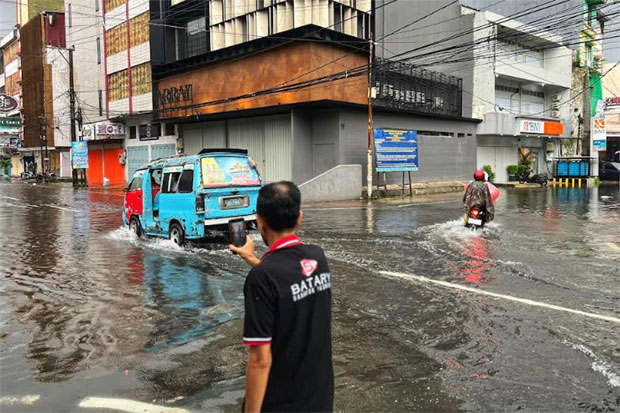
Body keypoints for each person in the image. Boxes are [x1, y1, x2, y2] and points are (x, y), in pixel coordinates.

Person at [230, 181, 333, 413]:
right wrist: (253, 260)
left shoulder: (262, 277)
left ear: (260, 222)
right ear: (299, 217)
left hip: (282, 404)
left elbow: (260, 360)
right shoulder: (318, 258)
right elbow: (288, 282)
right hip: (319, 399)